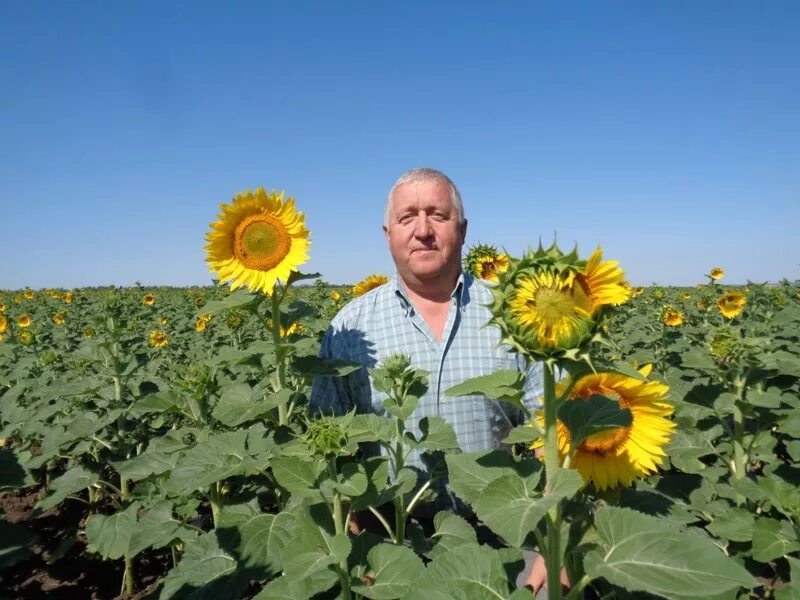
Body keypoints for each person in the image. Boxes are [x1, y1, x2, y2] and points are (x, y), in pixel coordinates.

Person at [309, 167, 558, 596]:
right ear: (388, 234)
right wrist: (349, 544)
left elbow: (555, 438)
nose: (423, 230)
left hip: (502, 533)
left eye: (437, 215)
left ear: (462, 230)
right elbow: (328, 449)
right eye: (408, 217)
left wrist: (556, 551)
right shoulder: (350, 328)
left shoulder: (517, 316)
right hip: (386, 543)